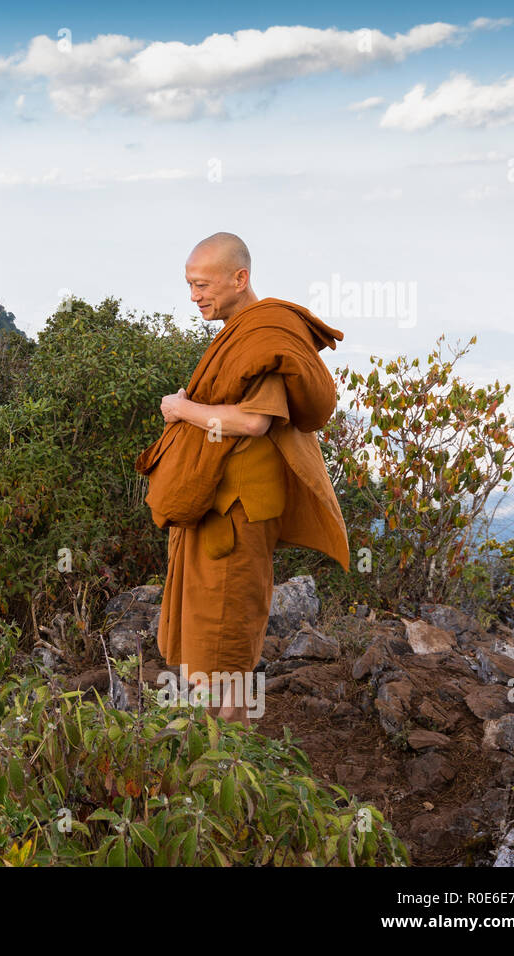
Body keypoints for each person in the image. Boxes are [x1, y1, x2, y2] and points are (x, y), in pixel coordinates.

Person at [135, 232, 350, 726]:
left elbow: (255, 421)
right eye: (190, 286)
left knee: (226, 629)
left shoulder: (266, 340)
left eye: (202, 284)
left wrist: (182, 408)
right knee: (211, 625)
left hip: (239, 510)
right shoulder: (245, 334)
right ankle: (217, 747)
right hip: (220, 504)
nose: (195, 296)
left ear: (240, 278)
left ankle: (229, 755)